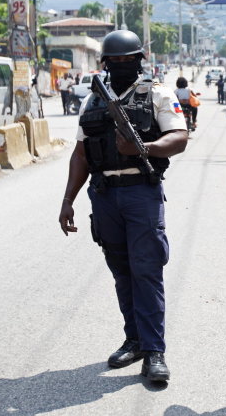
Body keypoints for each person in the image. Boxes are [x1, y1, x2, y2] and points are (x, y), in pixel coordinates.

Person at [58, 30, 188, 384]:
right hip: (104, 195)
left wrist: (143, 149)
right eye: (113, 61)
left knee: (146, 270)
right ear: (104, 64)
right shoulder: (93, 101)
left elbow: (179, 138)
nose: (120, 65)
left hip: (140, 192)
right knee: (121, 270)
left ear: (139, 61)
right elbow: (82, 153)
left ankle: (155, 350)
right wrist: (68, 199)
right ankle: (135, 339)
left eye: (127, 60)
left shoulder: (156, 93)